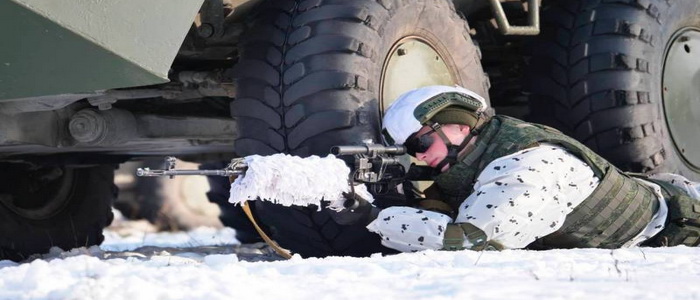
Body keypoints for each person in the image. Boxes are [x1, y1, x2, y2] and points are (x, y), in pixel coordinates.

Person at [346, 85, 700, 252]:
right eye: (409, 150)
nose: (419, 157)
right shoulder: (482, 149)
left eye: (420, 144)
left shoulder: (528, 167)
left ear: (458, 126)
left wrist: (373, 216)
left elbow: (470, 241)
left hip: (680, 234)